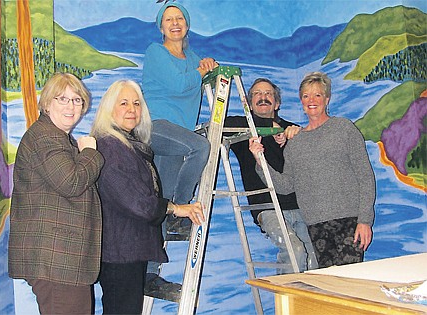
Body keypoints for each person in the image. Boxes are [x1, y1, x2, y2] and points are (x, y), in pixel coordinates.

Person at [91, 80, 205, 314]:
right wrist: (176, 208)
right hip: (120, 253)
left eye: (136, 103)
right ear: (109, 108)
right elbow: (138, 203)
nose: (131, 109)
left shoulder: (128, 144)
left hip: (126, 250)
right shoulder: (111, 147)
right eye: (123, 103)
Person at [249, 72, 376, 268]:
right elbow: (285, 186)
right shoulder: (295, 142)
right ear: (301, 101)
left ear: (327, 99)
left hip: (349, 222)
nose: (312, 100)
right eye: (306, 96)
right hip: (315, 226)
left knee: (349, 285)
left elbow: (365, 176)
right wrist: (260, 161)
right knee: (326, 287)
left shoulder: (344, 128)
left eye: (317, 95)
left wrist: (365, 221)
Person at [8, 72, 104, 314]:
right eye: (62, 99)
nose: (71, 106)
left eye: (77, 100)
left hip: (62, 261)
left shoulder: (58, 138)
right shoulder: (46, 137)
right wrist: (90, 153)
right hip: (56, 260)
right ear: (47, 103)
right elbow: (71, 182)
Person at [141, 1, 218, 296]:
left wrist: (207, 64)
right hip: (157, 126)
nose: (175, 23)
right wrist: (200, 71)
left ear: (186, 25)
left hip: (178, 136)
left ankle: (149, 274)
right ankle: (178, 215)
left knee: (160, 198)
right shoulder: (155, 52)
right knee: (201, 147)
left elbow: (199, 72)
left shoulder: (193, 56)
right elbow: (179, 83)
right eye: (169, 19)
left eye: (180, 19)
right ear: (161, 27)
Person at [225, 78, 318, 274]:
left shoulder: (291, 128)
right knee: (296, 252)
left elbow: (313, 158)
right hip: (266, 206)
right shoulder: (242, 126)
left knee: (314, 261)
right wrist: (270, 125)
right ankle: (286, 303)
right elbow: (220, 125)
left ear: (277, 103)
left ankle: (303, 303)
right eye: (257, 94)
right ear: (249, 104)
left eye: (268, 94)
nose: (263, 97)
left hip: (298, 205)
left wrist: (294, 137)